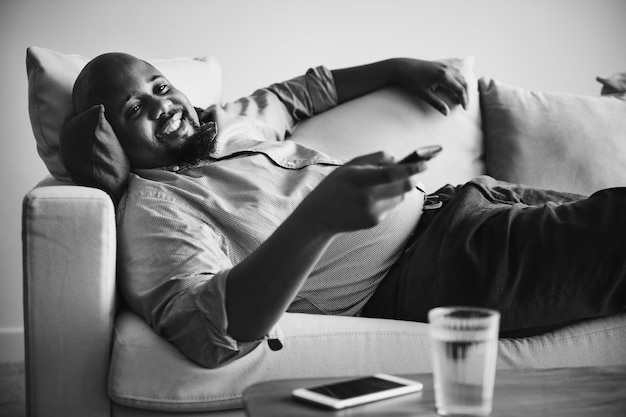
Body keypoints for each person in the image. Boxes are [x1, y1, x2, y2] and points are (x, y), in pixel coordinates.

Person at [67, 53, 625, 368]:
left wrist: (396, 68)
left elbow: (299, 94)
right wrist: (318, 218)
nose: (163, 105)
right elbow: (208, 331)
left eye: (161, 87)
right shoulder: (156, 206)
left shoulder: (228, 122)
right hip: (437, 267)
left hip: (467, 201)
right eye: (135, 108)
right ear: (111, 138)